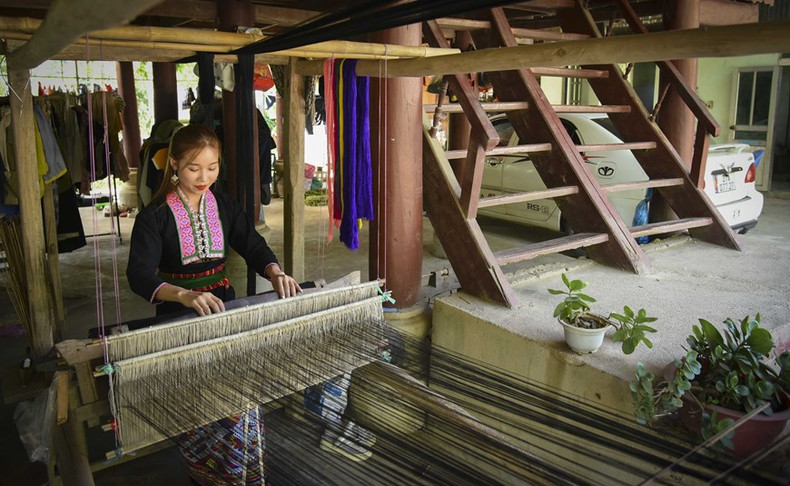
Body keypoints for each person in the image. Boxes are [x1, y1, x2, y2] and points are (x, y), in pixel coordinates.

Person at [126, 123, 301, 484]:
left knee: (240, 400)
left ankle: (243, 472)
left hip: (223, 310)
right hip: (179, 318)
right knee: (201, 405)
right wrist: (185, 295)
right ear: (173, 163)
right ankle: (207, 473)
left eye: (213, 167)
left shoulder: (222, 204)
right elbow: (139, 274)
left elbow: (250, 242)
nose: (204, 176)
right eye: (194, 168)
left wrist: (274, 271)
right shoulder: (154, 217)